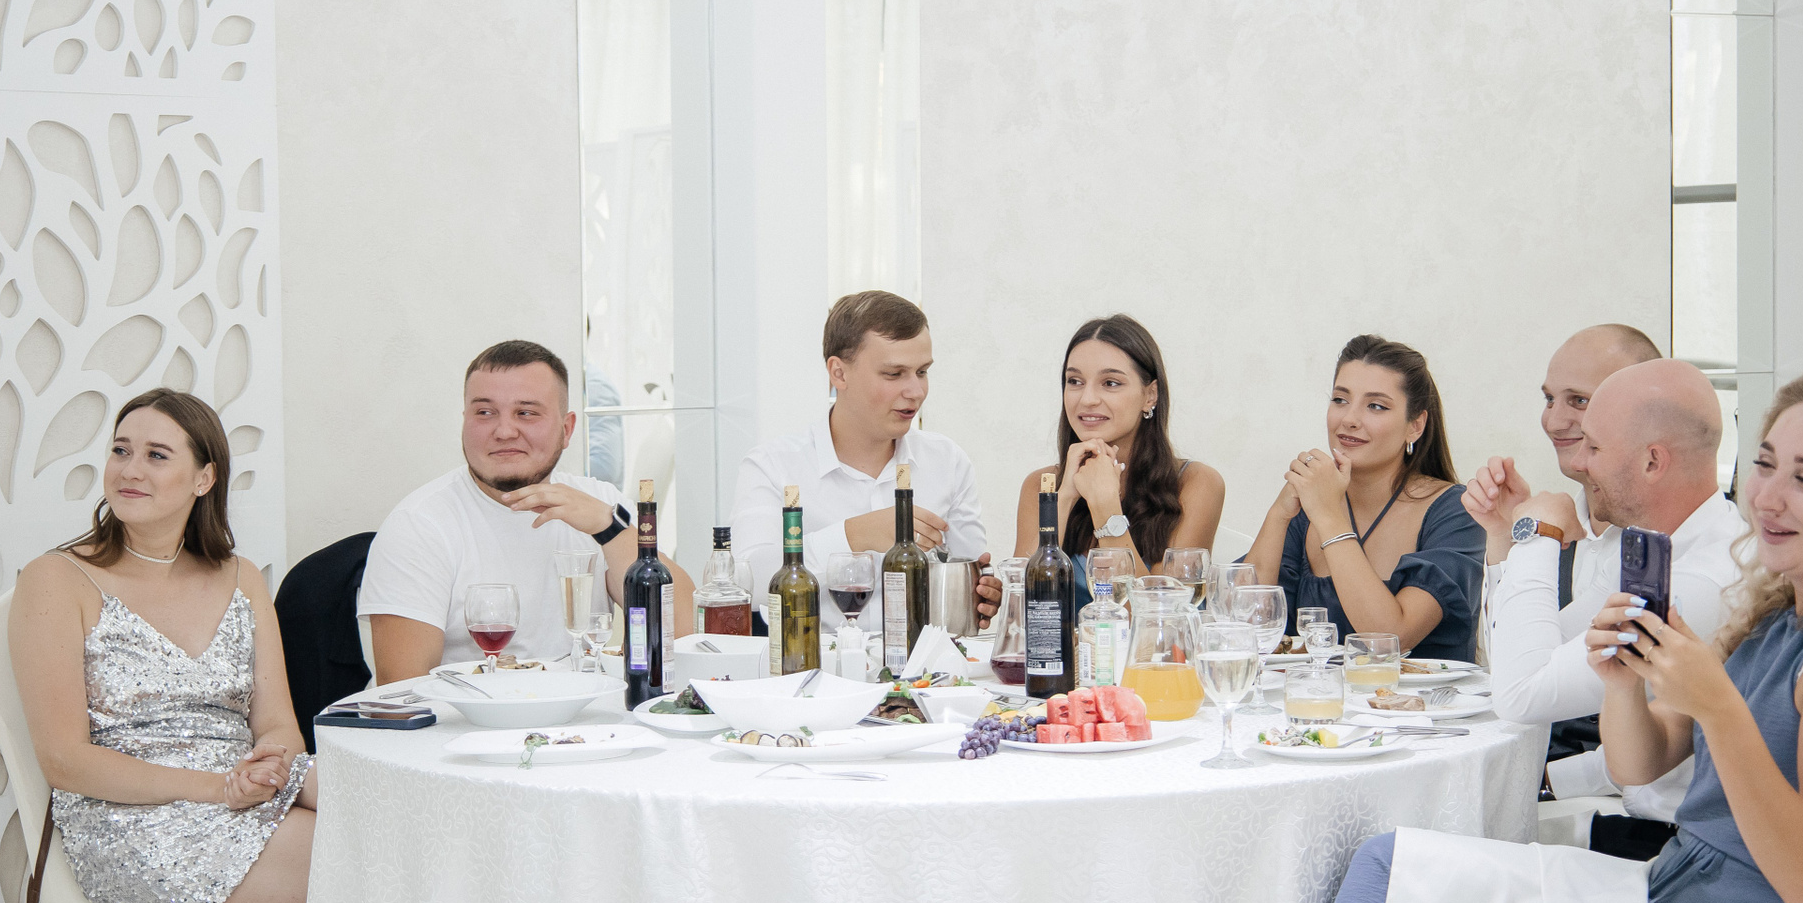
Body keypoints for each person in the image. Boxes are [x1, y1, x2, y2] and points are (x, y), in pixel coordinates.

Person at [1265, 372, 1803, 903]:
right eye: (1767, 464)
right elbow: (1640, 763)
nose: (1769, 497)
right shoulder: (1781, 611)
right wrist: (1621, 681)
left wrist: (1720, 709)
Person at [9, 389, 316, 903]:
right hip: (137, 823)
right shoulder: (56, 579)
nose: (130, 469)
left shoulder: (241, 577)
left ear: (204, 478)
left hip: (244, 790)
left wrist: (267, 770)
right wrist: (218, 788)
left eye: (156, 455)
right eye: (121, 450)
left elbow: (277, 727)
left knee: (384, 805)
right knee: (368, 854)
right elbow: (63, 761)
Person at [1465, 349, 1742, 838]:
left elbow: (1520, 695)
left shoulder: (1704, 580)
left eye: (1593, 447)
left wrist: (1538, 535)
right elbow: (1513, 663)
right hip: (1628, 809)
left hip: (1669, 838)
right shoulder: (1657, 544)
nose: (1577, 462)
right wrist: (1505, 537)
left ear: (1652, 461)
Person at [361, 340, 695, 683]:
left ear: (566, 429)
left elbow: (683, 634)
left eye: (526, 413)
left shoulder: (599, 502)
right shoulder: (419, 525)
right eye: (484, 412)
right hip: (470, 714)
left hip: (582, 711)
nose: (504, 431)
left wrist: (608, 529)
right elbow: (403, 686)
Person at [732, 291, 999, 633]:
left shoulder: (948, 462)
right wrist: (853, 535)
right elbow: (748, 584)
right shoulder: (772, 466)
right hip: (813, 664)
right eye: (894, 374)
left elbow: (970, 574)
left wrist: (983, 593)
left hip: (923, 664)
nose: (916, 391)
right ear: (838, 373)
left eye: (922, 372)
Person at [1246, 335, 1485, 660]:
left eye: (1376, 406)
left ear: (1415, 426)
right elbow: (1243, 627)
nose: (1349, 419)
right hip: (1319, 693)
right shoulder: (1309, 508)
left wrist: (1328, 517)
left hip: (1426, 695)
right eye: (1340, 400)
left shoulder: (1456, 511)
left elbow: (1388, 639)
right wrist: (1279, 514)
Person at [1011, 315, 1225, 593]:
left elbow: (1160, 612)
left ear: (1150, 395)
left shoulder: (1197, 483)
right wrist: (1063, 500)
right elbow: (1023, 605)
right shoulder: (1041, 485)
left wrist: (1105, 507)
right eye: (1074, 381)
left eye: (1110, 383)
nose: (1087, 399)